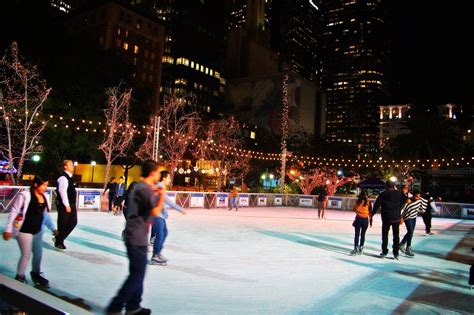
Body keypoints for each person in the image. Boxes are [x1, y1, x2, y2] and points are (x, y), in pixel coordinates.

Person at [106, 160, 166, 315]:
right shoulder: (143, 189)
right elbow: (155, 212)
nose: (160, 175)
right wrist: (162, 194)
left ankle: (133, 306)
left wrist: (155, 193)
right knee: (137, 275)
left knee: (138, 273)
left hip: (136, 235)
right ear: (152, 173)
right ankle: (115, 306)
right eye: (159, 172)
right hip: (136, 237)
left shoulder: (140, 187)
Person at [3, 176, 57, 286]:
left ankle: (36, 274)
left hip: (37, 231)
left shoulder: (44, 197)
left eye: (47, 185)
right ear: (36, 184)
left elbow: (45, 215)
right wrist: (8, 229)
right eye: (44, 185)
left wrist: (53, 228)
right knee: (26, 254)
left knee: (38, 254)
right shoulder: (25, 195)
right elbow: (14, 211)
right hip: (24, 230)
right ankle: (20, 276)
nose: (45, 187)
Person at [150, 170, 186, 266]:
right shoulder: (160, 186)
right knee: (161, 235)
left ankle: (157, 253)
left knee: (164, 233)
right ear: (164, 178)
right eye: (169, 178)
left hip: (160, 215)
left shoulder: (160, 186)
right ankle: (155, 255)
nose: (170, 180)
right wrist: (180, 209)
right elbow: (168, 201)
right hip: (157, 215)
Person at [372, 181, 408, 260]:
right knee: (396, 236)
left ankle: (384, 251)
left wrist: (372, 214)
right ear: (394, 186)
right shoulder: (399, 193)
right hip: (396, 217)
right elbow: (405, 199)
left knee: (385, 235)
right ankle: (396, 253)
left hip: (386, 218)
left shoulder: (383, 194)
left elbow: (376, 205)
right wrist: (399, 209)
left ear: (386, 186)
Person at [54, 160, 77, 251]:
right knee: (62, 223)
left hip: (72, 203)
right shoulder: (63, 178)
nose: (73, 166)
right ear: (65, 167)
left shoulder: (70, 177)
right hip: (65, 204)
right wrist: (67, 205)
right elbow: (62, 192)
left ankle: (59, 238)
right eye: (70, 165)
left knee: (73, 222)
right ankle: (59, 242)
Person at [399, 192, 427, 257]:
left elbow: (424, 205)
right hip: (407, 217)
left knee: (410, 232)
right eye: (417, 196)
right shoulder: (408, 201)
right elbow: (402, 210)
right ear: (413, 196)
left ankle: (401, 244)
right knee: (410, 231)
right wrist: (401, 218)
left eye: (419, 196)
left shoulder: (419, 200)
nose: (418, 198)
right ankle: (408, 248)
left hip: (414, 217)